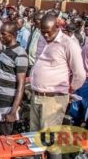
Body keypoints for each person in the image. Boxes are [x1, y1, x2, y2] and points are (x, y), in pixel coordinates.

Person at [30, 14, 85, 158]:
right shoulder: (42, 39)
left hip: (54, 99)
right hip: (36, 95)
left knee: (51, 142)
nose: (45, 34)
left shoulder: (68, 44)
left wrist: (68, 90)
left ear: (57, 27)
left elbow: (80, 74)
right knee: (35, 138)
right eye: (42, 31)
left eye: (48, 31)